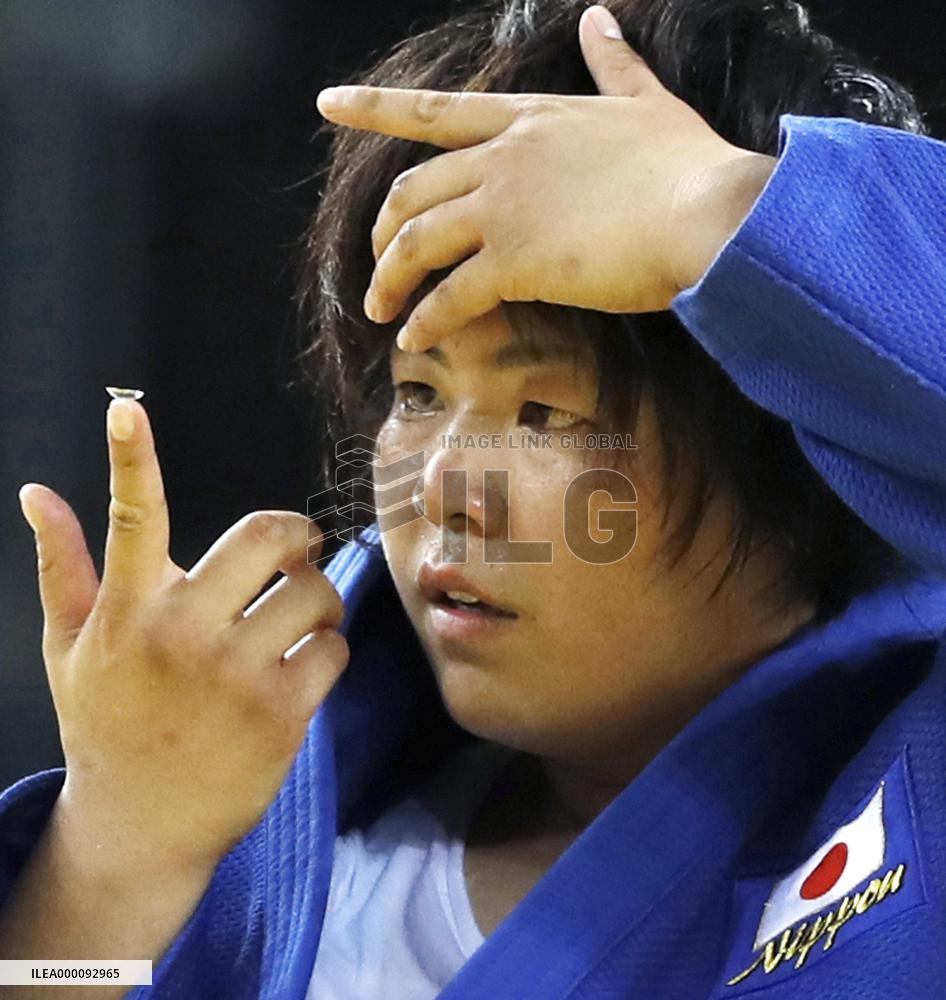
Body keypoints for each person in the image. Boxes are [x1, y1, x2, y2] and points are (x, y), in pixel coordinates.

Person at [0, 0, 944, 997]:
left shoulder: (910, 790)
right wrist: (112, 859)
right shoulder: (241, 823)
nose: (441, 485)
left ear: (796, 455)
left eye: (542, 411)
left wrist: (720, 210)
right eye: (418, 392)